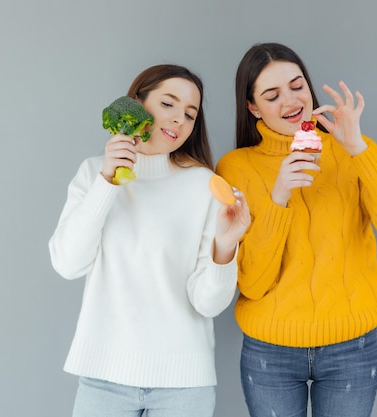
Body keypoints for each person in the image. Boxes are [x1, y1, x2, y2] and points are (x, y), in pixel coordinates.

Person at [216, 42, 377, 417]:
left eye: (297, 86)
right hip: (270, 351)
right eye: (271, 94)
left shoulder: (350, 152)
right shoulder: (236, 167)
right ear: (252, 107)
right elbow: (253, 283)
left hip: (351, 348)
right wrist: (279, 196)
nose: (291, 101)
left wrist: (358, 147)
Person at [49, 64, 250, 417]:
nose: (179, 120)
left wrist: (226, 247)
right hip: (103, 377)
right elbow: (68, 263)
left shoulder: (204, 186)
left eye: (190, 114)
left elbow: (208, 304)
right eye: (168, 104)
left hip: (184, 386)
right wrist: (107, 182)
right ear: (137, 104)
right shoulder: (92, 173)